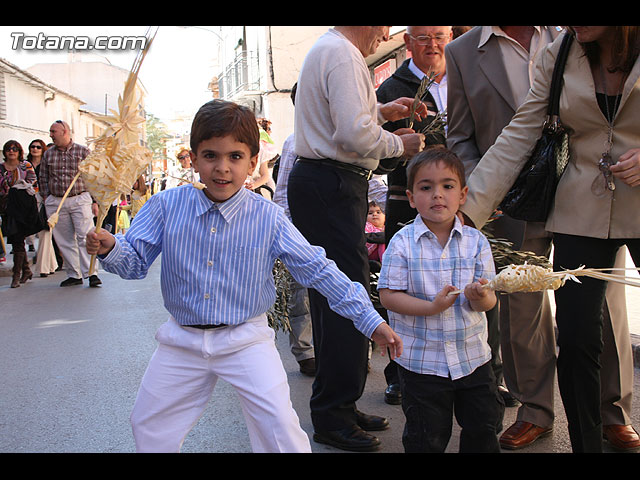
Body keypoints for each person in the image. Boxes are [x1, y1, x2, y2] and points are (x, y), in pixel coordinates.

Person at [85, 99, 402, 453]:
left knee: (279, 428)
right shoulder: (165, 207)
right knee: (148, 424)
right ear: (193, 158)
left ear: (253, 162)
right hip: (182, 340)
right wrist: (110, 246)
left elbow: (320, 270)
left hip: (245, 340)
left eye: (235, 157)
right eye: (210, 156)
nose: (222, 168)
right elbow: (133, 263)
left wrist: (369, 320)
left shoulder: (269, 218)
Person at [447, 25, 639, 452]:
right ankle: (585, 443)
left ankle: (616, 416)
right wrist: (464, 211)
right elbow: (518, 135)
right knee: (576, 336)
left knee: (610, 322)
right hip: (580, 209)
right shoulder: (563, 51)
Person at [287, 26, 426, 452]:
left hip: (325, 183)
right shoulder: (343, 54)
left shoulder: (332, 49)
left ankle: (339, 405)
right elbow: (352, 136)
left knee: (333, 299)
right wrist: (400, 144)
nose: (385, 33)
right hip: (331, 184)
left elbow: (344, 122)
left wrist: (381, 112)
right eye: (382, 25)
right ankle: (333, 413)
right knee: (346, 297)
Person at [378, 147, 503, 452]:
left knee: (483, 429)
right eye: (426, 187)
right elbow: (388, 296)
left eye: (447, 186)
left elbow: (489, 303)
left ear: (463, 194)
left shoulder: (476, 241)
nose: (437, 195)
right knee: (426, 436)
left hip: (473, 358)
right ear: (410, 197)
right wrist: (431, 307)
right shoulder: (402, 243)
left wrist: (480, 296)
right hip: (423, 363)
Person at [375, 26, 451, 406]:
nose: (432, 44)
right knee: (404, 287)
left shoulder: (464, 77)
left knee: (470, 283)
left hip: (462, 202)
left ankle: (480, 370)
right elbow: (375, 156)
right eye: (423, 37)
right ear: (407, 42)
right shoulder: (390, 89)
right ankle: (400, 373)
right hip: (405, 203)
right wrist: (395, 146)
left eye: (439, 35)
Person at [272, 84, 316, 376]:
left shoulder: (346, 136)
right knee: (301, 295)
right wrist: (284, 235)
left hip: (339, 230)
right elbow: (283, 191)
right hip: (302, 232)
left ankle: (351, 350)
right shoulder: (294, 142)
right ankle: (305, 351)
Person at [39, 120, 101, 287]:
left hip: (79, 198)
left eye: (54, 131)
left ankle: (91, 273)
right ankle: (74, 274)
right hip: (57, 201)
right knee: (64, 240)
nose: (51, 135)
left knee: (85, 236)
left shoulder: (83, 151)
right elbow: (43, 177)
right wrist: (46, 198)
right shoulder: (48, 154)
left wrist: (95, 201)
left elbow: (92, 177)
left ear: (65, 132)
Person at [0, 140, 38, 288]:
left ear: (19, 151)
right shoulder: (1, 168)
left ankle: (16, 276)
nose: (12, 151)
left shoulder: (25, 166)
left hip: (23, 207)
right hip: (7, 208)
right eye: (9, 149)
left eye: (15, 149)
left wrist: (18, 189)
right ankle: (26, 270)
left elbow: (33, 183)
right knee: (16, 240)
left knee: (18, 239)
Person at [27, 139, 59, 277]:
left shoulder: (47, 164)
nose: (35, 149)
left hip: (45, 200)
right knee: (41, 234)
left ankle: (44, 267)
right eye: (32, 147)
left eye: (38, 147)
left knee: (45, 232)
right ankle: (51, 264)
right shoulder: (25, 165)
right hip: (28, 201)